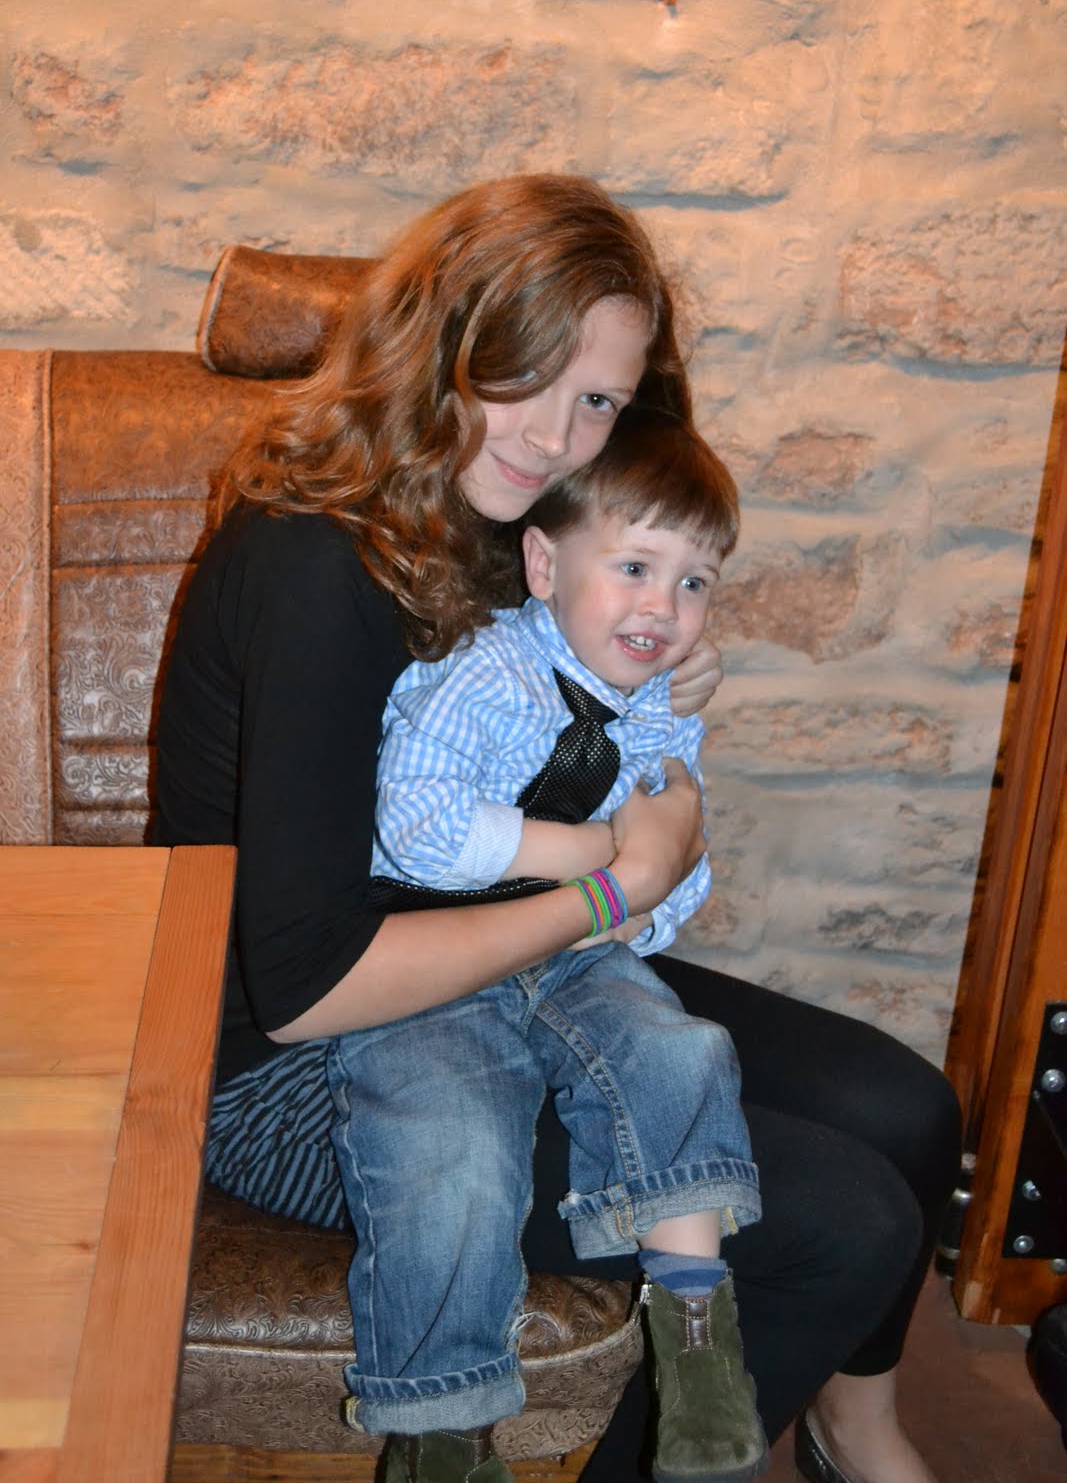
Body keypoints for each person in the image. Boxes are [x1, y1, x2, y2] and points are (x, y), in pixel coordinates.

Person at [153, 172, 961, 1483]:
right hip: (290, 1053)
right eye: (524, 376)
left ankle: (849, 1425)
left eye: (597, 401)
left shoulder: (516, 513)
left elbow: (587, 720)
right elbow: (304, 989)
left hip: (501, 956)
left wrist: (655, 701)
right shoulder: (312, 563)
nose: (550, 435)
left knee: (907, 1111)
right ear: (439, 343)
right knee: (841, 1222)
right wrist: (611, 887)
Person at [360, 417, 765, 1483]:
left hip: (577, 949)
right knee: (449, 1139)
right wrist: (603, 864)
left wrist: (641, 911)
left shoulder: (657, 709)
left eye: (693, 583)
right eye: (634, 568)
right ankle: (442, 1434)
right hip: (434, 949)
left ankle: (695, 1346)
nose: (662, 607)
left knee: (681, 1048)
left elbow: (679, 855)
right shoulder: (485, 668)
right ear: (543, 566)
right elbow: (418, 825)